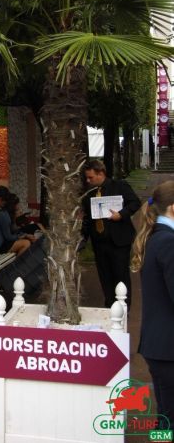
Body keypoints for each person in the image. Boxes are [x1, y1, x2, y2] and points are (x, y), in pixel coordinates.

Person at [131, 181, 174, 429]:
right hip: (167, 347)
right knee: (168, 420)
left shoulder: (156, 236)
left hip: (159, 345)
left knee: (166, 416)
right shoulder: (167, 241)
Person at [82, 159, 140, 308]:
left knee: (120, 275)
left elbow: (135, 202)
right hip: (99, 242)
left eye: (91, 177)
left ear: (101, 173)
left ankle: (124, 308)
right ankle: (109, 306)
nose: (88, 180)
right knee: (105, 276)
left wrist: (121, 214)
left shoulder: (119, 186)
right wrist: (83, 239)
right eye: (86, 178)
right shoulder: (89, 194)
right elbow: (87, 218)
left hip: (119, 241)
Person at [0, 193, 36, 258]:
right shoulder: (3, 215)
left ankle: (29, 261)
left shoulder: (8, 214)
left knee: (31, 239)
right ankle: (17, 265)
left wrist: (25, 235)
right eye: (17, 204)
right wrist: (24, 235)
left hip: (4, 241)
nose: (19, 206)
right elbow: (8, 237)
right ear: (12, 205)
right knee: (26, 243)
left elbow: (13, 229)